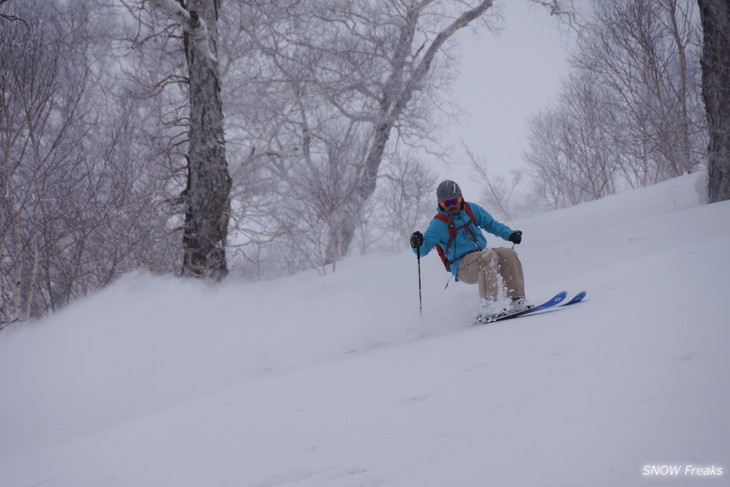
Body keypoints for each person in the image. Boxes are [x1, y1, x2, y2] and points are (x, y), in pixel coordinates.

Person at [410, 180, 529, 316]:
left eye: (455, 200)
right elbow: (423, 249)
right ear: (440, 203)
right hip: (462, 266)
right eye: (446, 203)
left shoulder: (471, 209)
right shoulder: (439, 223)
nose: (452, 206)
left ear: (461, 197)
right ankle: (489, 307)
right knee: (488, 257)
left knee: (509, 254)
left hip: (482, 255)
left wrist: (510, 234)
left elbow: (490, 224)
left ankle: (516, 300)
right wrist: (416, 244)